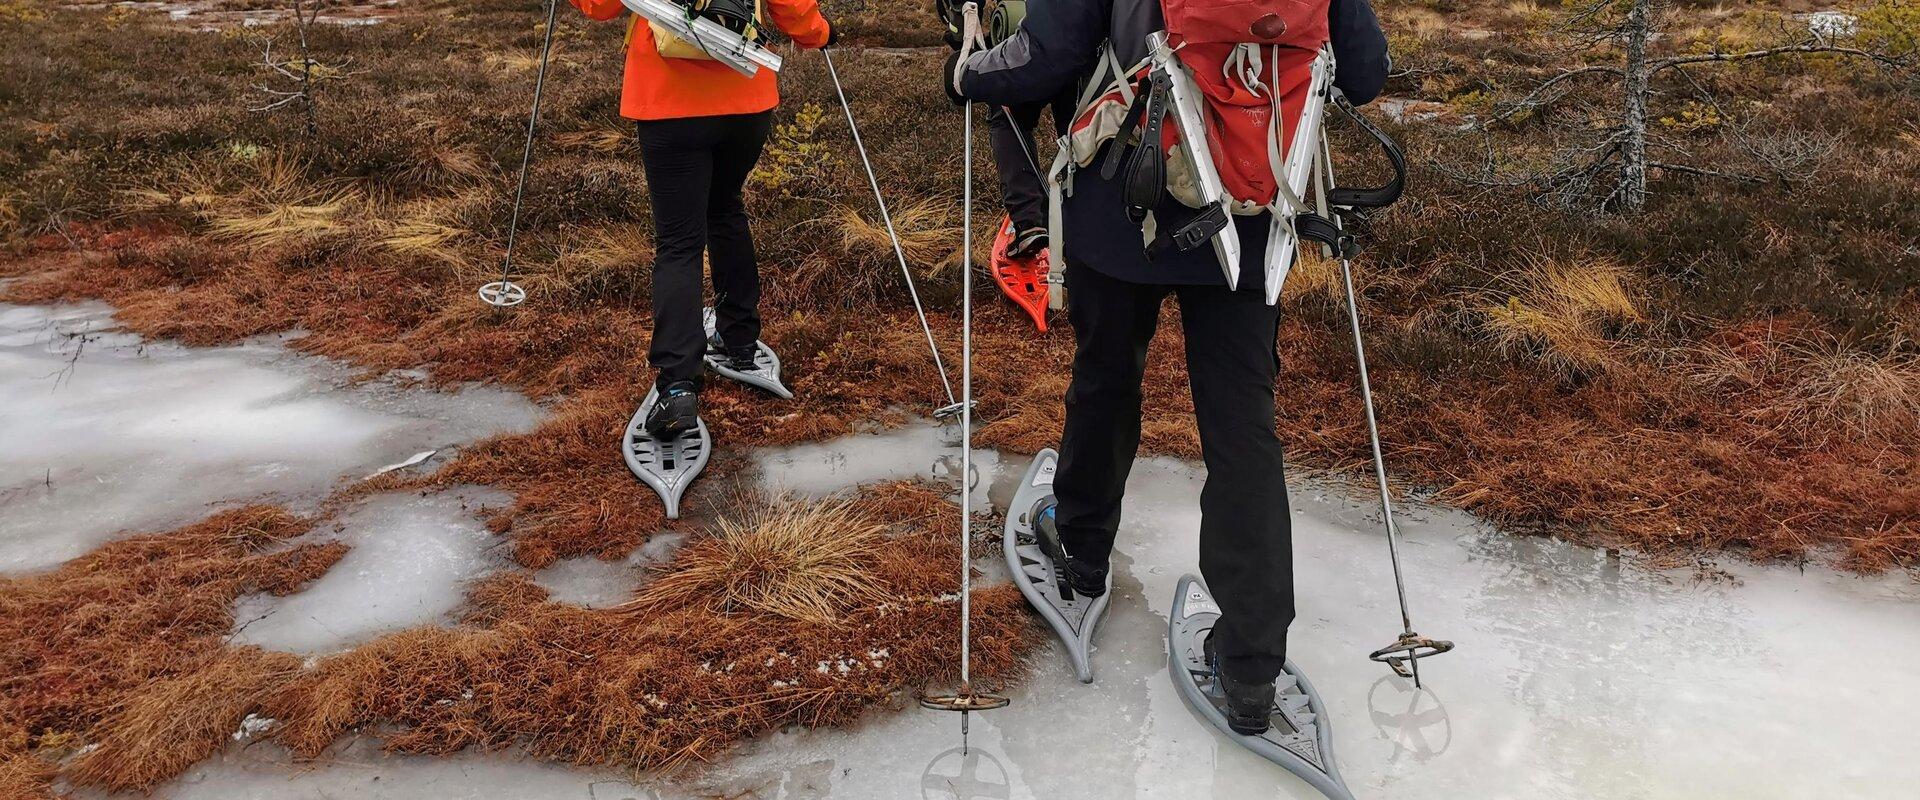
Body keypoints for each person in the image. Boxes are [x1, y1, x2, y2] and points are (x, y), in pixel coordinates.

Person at [948, 0, 1389, 734]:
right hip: (1249, 216)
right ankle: (1250, 666)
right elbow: (1366, 73)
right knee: (1243, 426)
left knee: (1105, 380)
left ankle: (1082, 548)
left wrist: (966, 74)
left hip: (1121, 209)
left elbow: (1046, 55)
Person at [568, 0, 835, 436]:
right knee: (726, 207)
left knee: (678, 242)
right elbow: (793, 8)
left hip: (669, 101)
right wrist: (820, 33)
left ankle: (677, 386)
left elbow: (600, 7)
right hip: (747, 99)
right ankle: (739, 340)